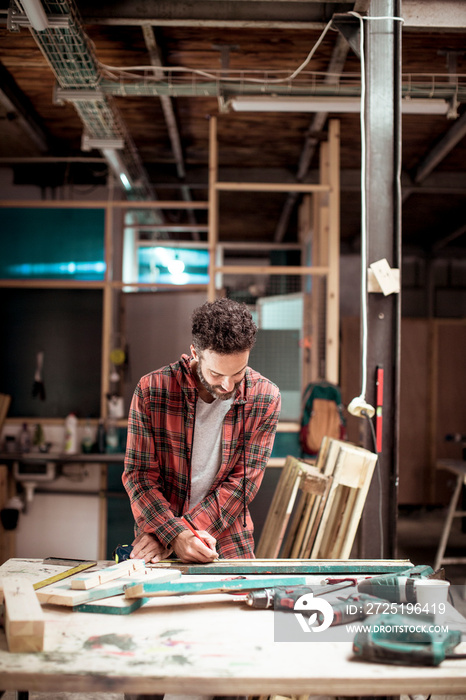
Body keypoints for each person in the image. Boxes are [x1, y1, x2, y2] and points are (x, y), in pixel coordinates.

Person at [122, 297, 281, 563]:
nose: (228, 386)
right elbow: (139, 477)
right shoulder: (153, 390)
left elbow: (242, 485)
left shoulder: (265, 397)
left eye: (238, 373)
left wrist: (181, 535)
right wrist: (174, 535)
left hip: (225, 542)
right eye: (217, 374)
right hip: (157, 539)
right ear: (195, 354)